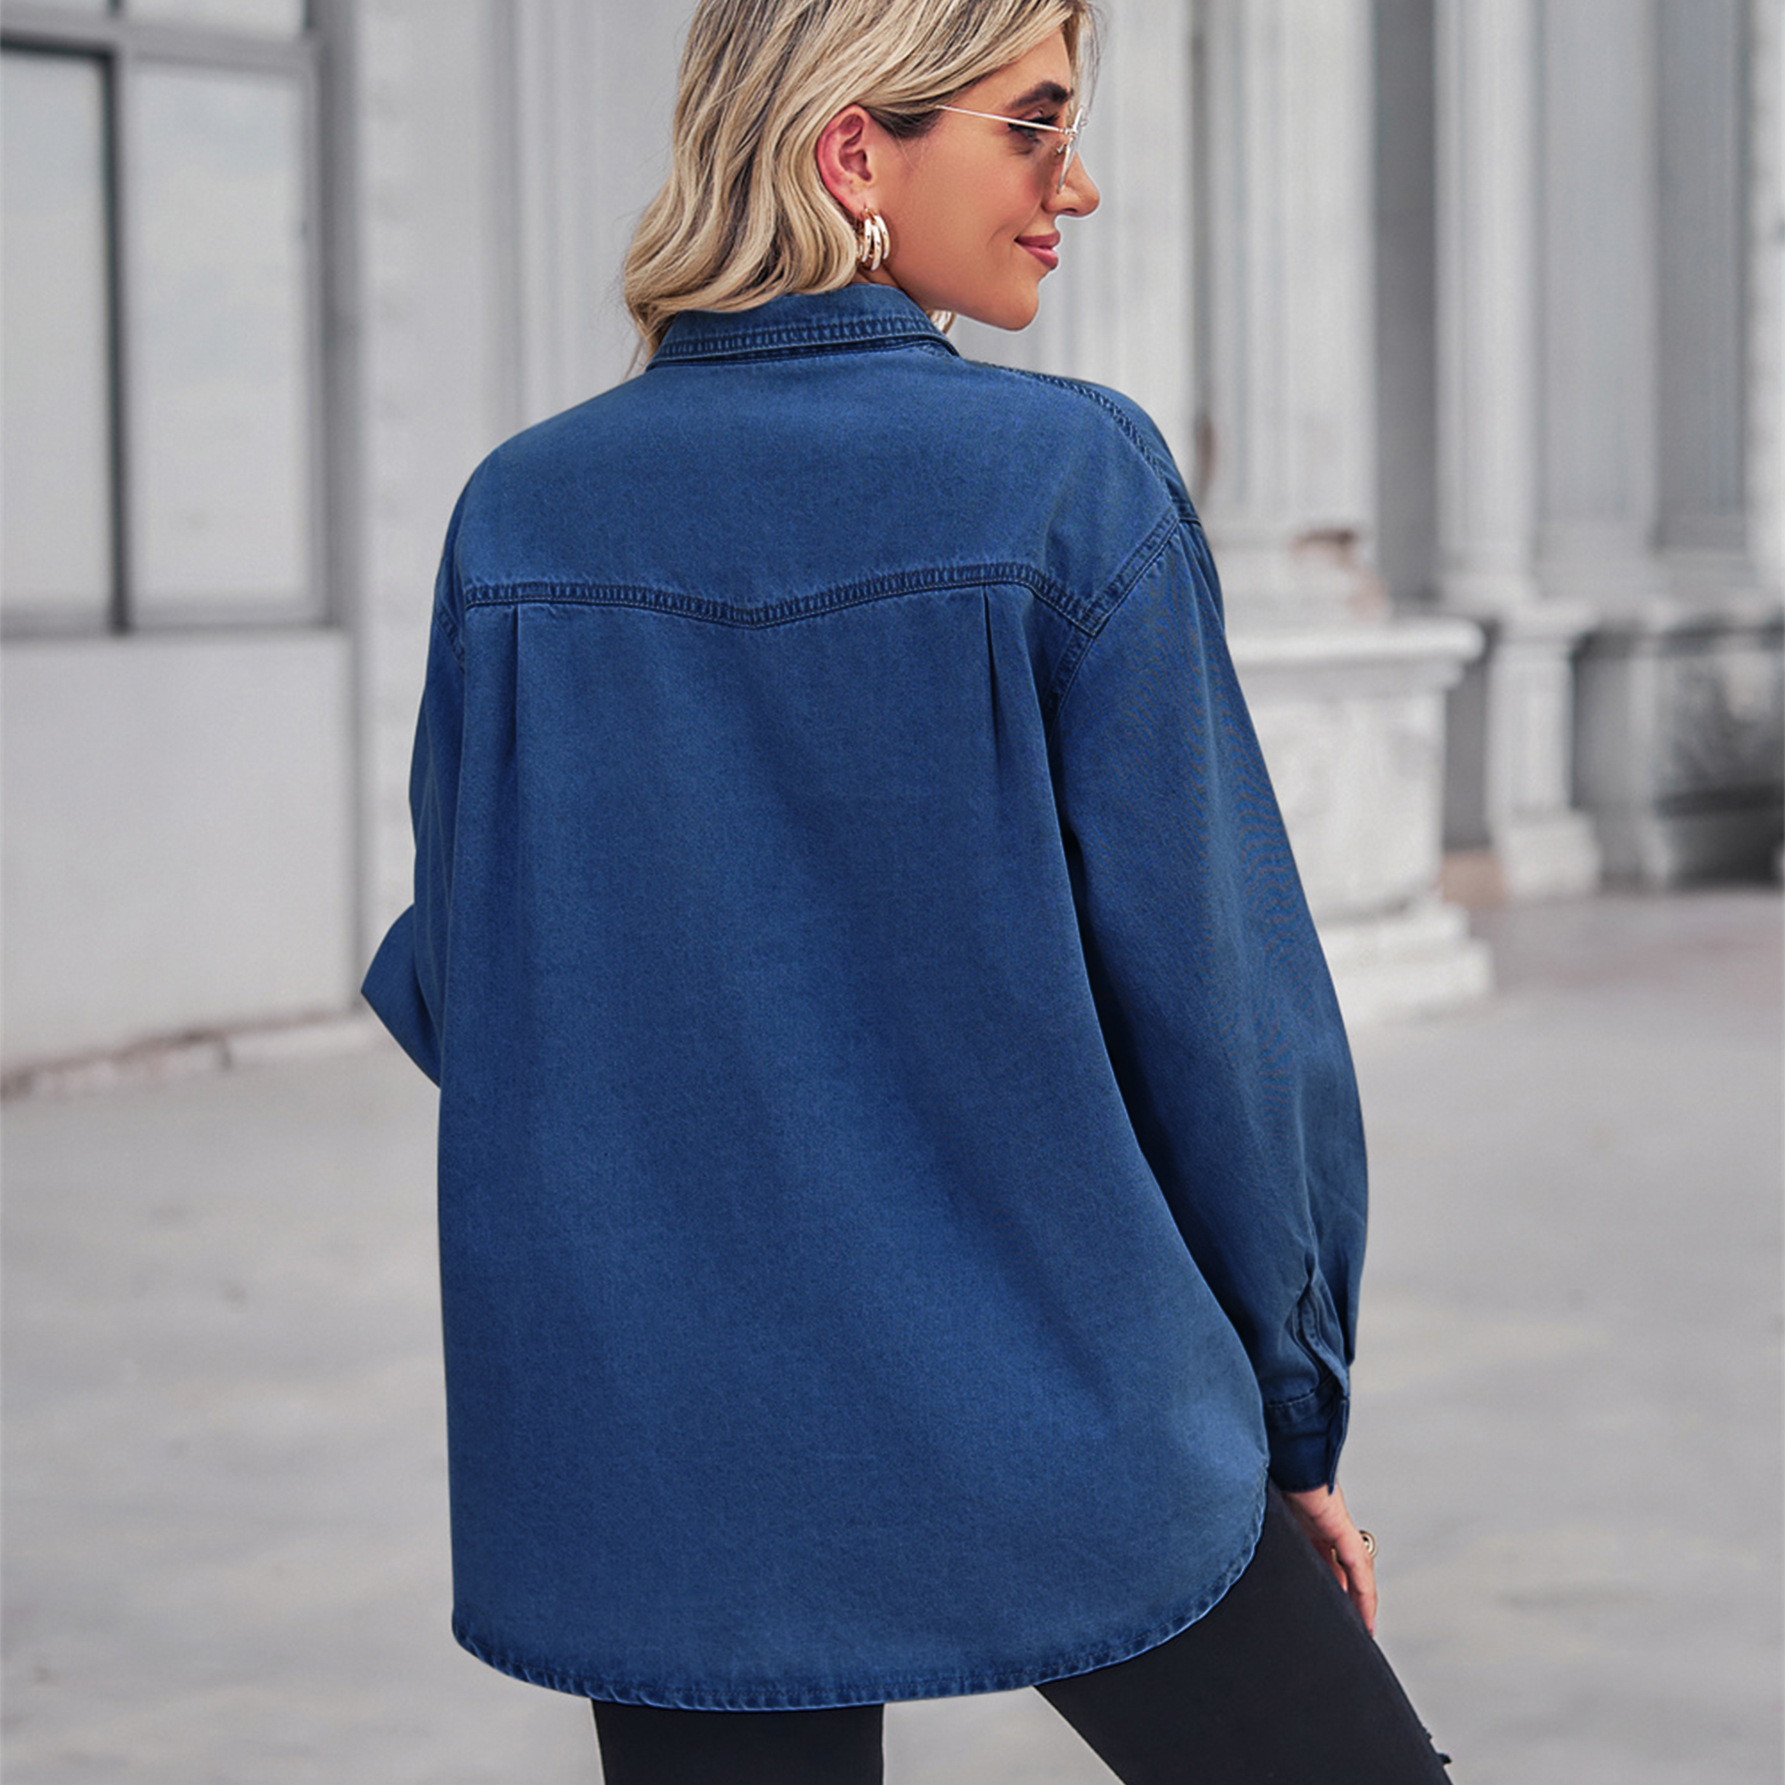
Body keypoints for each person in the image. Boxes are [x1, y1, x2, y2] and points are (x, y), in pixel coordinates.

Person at [362, 1, 1453, 1779]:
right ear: (852, 150)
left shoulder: (520, 515)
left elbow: (465, 980)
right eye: (1033, 126)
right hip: (1063, 1385)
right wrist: (1290, 1415)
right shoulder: (1064, 482)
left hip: (669, 1434)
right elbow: (1222, 1016)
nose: (1073, 186)